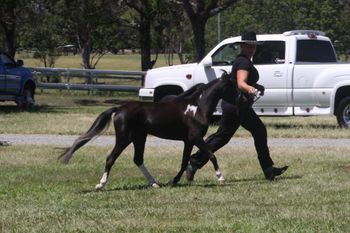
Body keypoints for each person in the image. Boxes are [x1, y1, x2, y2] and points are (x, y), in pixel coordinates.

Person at [186, 31, 288, 181]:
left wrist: (257, 86)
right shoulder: (244, 62)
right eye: (248, 46)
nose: (252, 49)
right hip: (236, 107)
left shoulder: (243, 60)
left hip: (239, 106)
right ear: (242, 46)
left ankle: (268, 169)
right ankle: (194, 162)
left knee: (256, 131)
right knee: (222, 137)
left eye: (253, 46)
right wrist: (250, 89)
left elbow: (237, 81)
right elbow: (241, 83)